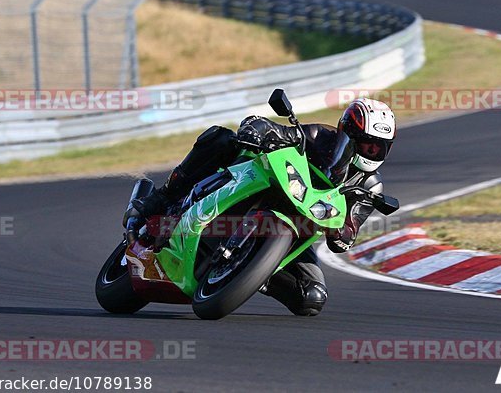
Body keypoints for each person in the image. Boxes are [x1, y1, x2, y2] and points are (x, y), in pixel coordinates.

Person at [123, 97, 396, 316]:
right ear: (346, 133)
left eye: (377, 148)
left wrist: (341, 233)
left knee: (310, 296)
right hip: (269, 189)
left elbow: (348, 232)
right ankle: (161, 198)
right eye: (365, 144)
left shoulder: (371, 187)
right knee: (222, 139)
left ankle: (252, 272)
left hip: (296, 228)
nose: (369, 152)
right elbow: (277, 130)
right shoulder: (320, 137)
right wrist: (258, 130)